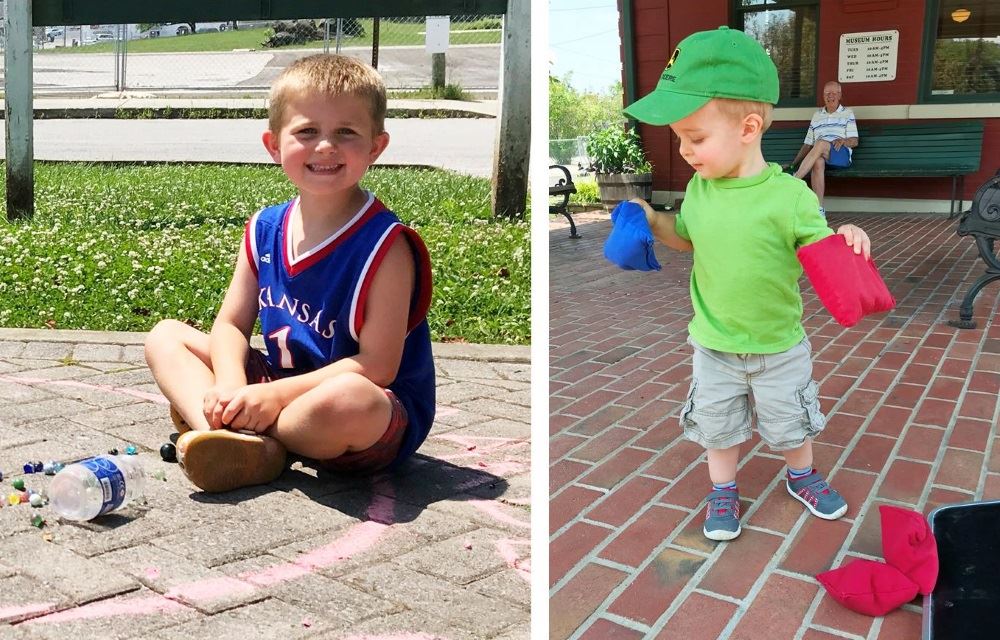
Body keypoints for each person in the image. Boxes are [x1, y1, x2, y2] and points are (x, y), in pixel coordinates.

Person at [622, 27, 872, 541]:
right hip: (713, 344)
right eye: (679, 140)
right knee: (718, 426)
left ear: (748, 127)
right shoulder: (699, 190)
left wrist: (848, 235)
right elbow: (686, 238)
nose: (686, 151)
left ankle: (800, 474)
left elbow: (822, 248)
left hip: (779, 345)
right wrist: (651, 218)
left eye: (696, 138)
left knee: (790, 422)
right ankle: (723, 489)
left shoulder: (790, 197)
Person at [144, 54, 435, 493]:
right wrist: (230, 385)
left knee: (346, 401)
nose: (325, 146)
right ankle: (233, 432)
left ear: (376, 146)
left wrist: (273, 398)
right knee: (166, 337)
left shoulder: (386, 245)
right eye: (306, 131)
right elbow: (230, 324)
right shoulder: (265, 228)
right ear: (274, 145)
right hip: (277, 388)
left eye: (346, 133)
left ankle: (255, 440)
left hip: (359, 408)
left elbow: (377, 366)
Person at [787, 81, 859, 215]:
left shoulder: (847, 113)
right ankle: (819, 209)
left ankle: (795, 180)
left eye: (833, 93)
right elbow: (807, 144)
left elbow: (854, 141)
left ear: (840, 95)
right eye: (827, 93)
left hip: (840, 153)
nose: (830, 96)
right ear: (823, 96)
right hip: (822, 155)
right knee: (817, 161)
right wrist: (793, 164)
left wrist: (844, 141)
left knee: (820, 143)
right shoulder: (817, 115)